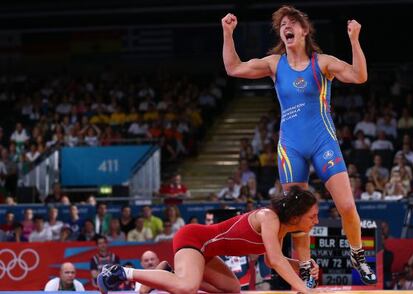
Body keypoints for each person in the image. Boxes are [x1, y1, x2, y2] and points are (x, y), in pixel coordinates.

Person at [221, 5, 376, 285]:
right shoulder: (274, 63)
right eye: (282, 24)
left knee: (347, 206)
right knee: (296, 214)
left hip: (322, 142)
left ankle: (357, 253)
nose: (286, 26)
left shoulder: (322, 62)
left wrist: (354, 40)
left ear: (304, 30)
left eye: (292, 22)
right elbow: (233, 68)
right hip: (290, 147)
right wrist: (228, 33)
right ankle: (305, 268)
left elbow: (359, 76)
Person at [97, 186, 319, 293]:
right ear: (295, 216)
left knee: (232, 290)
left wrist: (301, 267)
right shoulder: (268, 217)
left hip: (207, 252)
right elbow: (277, 260)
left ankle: (168, 274)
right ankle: (120, 272)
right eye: (312, 216)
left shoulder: (280, 228)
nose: (316, 221)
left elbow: (272, 262)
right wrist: (305, 289)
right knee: (187, 287)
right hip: (194, 239)